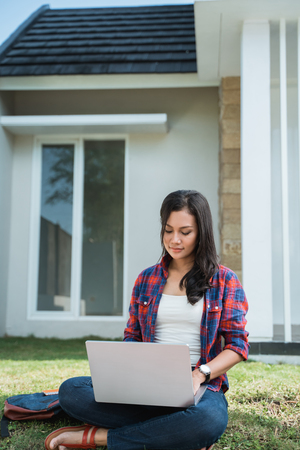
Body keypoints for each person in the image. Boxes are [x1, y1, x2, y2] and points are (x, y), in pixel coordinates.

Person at [45, 190, 249, 450]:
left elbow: (237, 346)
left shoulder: (224, 280)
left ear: (202, 233)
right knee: (71, 391)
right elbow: (132, 336)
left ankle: (100, 437)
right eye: (168, 230)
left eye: (185, 232)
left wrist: (200, 374)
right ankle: (176, 433)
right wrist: (127, 373)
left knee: (208, 419)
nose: (174, 240)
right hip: (146, 381)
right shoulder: (146, 279)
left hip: (199, 383)